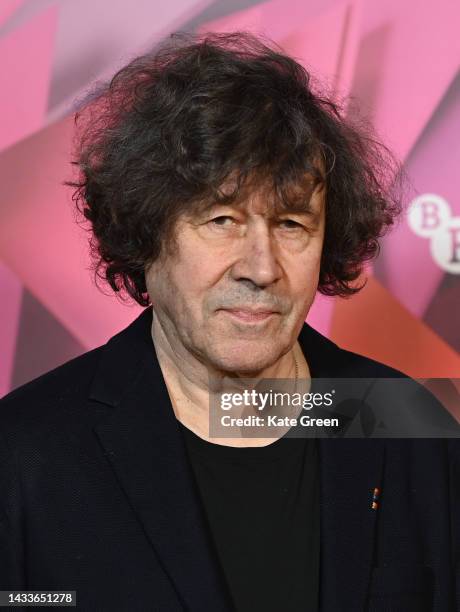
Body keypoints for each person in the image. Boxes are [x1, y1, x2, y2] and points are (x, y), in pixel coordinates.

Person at [0, 32, 458, 612]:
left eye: (292, 224)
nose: (262, 268)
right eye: (222, 218)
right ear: (145, 233)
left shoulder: (403, 420)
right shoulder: (26, 453)